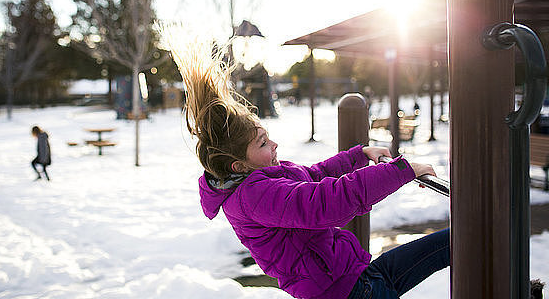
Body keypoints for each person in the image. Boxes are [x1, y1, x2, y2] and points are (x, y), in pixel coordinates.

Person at [171, 41, 449, 299]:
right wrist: (402, 170)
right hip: (346, 292)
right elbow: (326, 201)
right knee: (451, 243)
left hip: (355, 277)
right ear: (238, 165)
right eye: (263, 143)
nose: (274, 145)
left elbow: (313, 176)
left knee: (452, 241)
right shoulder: (254, 196)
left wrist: (358, 155)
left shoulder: (262, 177)